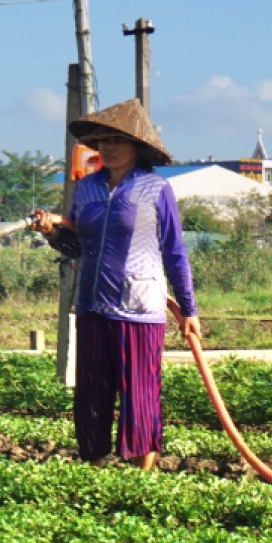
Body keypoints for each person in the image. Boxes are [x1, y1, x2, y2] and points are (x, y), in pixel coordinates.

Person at [33, 99, 200, 472]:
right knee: (92, 393)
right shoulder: (87, 188)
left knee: (139, 393)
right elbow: (77, 245)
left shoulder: (155, 189)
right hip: (92, 305)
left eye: (117, 140)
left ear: (137, 146)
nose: (108, 147)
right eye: (103, 140)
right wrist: (51, 232)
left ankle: (143, 474)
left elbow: (175, 252)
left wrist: (189, 310)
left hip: (140, 309)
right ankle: (95, 467)